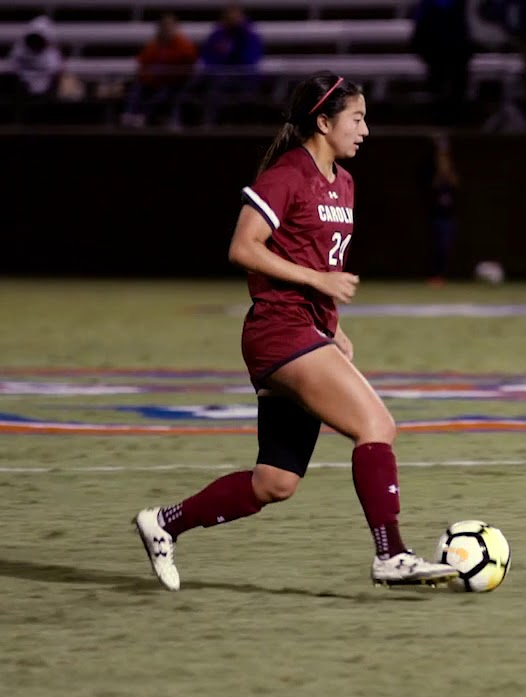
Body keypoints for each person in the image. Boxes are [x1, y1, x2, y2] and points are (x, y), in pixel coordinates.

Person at [133, 72, 460, 590]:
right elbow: (244, 248)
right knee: (377, 425)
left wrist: (334, 325)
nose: (366, 130)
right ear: (324, 122)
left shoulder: (345, 183)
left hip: (305, 331)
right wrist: (317, 283)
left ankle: (164, 523)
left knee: (275, 483)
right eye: (357, 118)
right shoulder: (288, 174)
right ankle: (391, 554)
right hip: (278, 331)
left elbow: (312, 258)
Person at [420, 133, 460, 285]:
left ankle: (442, 274)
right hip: (435, 215)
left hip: (448, 215)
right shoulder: (429, 168)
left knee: (446, 246)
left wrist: (447, 170)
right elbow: (430, 188)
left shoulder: (451, 168)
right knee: (435, 246)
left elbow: (457, 186)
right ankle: (433, 275)